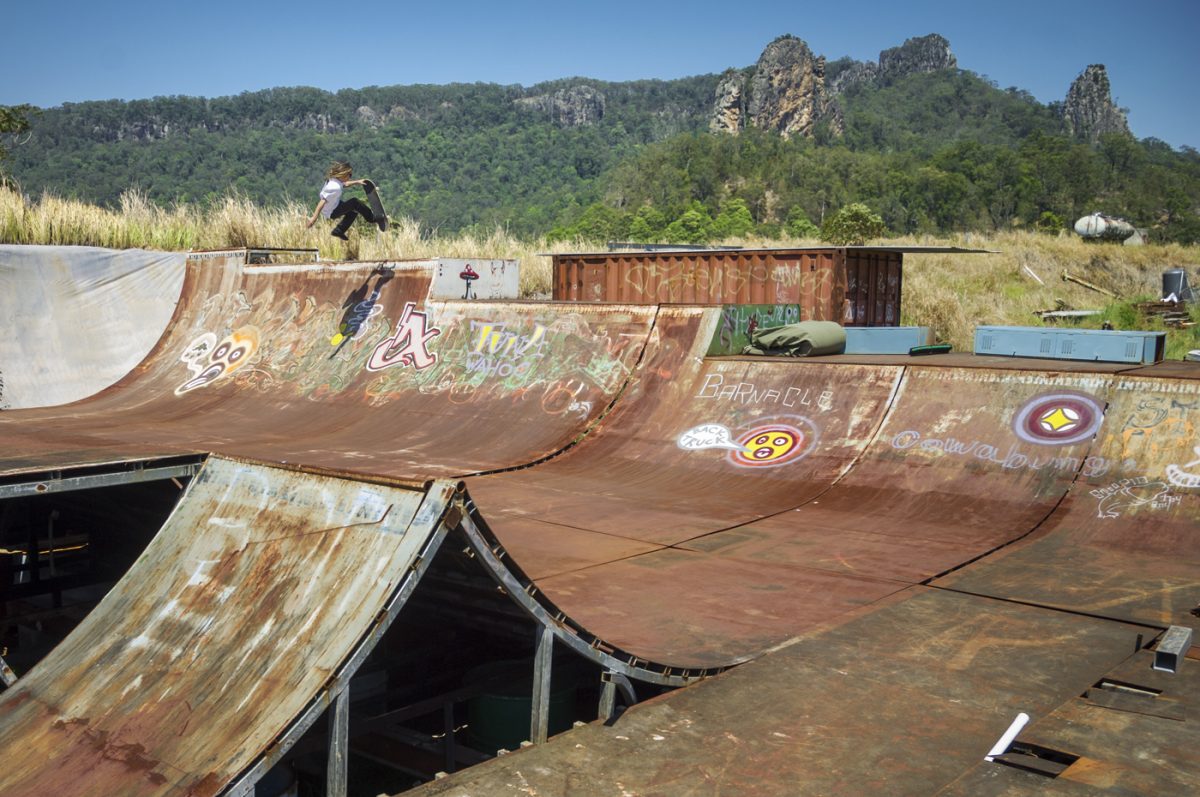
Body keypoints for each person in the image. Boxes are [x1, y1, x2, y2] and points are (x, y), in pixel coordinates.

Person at [306, 161, 376, 240]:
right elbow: (322, 201)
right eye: (349, 175)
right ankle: (372, 217)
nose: (350, 177)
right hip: (332, 211)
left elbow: (345, 184)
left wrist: (357, 182)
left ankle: (339, 231)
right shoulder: (334, 187)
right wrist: (314, 218)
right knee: (354, 202)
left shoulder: (335, 180)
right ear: (343, 174)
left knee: (353, 212)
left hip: (333, 205)